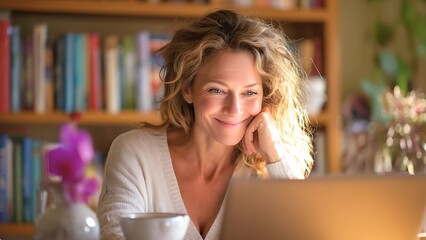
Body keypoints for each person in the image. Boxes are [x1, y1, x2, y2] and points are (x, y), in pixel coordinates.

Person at [97, 9, 314, 240]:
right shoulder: (134, 153)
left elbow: (306, 233)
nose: (234, 109)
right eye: (217, 90)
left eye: (249, 92)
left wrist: (276, 154)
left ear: (265, 96)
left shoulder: (268, 172)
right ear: (188, 88)